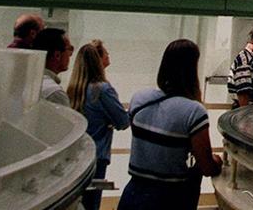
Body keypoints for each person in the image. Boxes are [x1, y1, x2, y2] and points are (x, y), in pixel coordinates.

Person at [119, 39, 222, 209]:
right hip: (170, 199)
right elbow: (206, 167)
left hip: (133, 195)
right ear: (192, 70)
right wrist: (216, 161)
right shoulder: (194, 111)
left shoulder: (139, 99)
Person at [68, 42, 130, 210]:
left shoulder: (74, 89)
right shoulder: (102, 89)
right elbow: (123, 121)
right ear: (98, 60)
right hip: (97, 155)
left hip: (77, 155)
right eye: (106, 53)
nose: (108, 56)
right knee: (92, 204)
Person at [227, 27, 253, 108]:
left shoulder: (250, 59)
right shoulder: (245, 60)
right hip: (247, 110)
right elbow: (243, 92)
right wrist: (245, 112)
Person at [32, 27, 74, 104]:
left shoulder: (29, 82)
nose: (70, 55)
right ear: (57, 55)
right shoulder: (55, 94)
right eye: (69, 49)